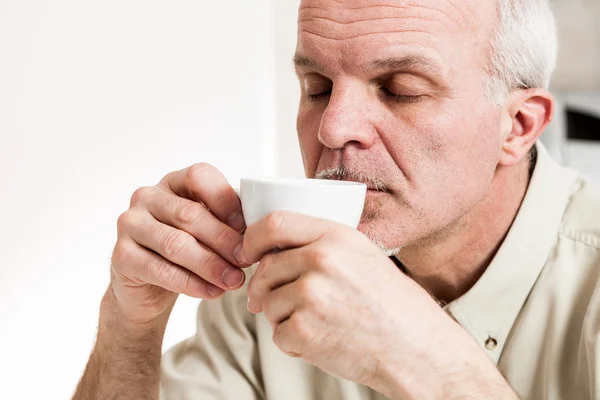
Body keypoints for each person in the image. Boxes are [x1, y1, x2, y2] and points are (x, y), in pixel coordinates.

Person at [72, 0, 600, 399]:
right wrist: (129, 326)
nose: (332, 128)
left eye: (400, 88)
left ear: (519, 126)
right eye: (317, 86)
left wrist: (425, 359)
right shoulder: (267, 280)